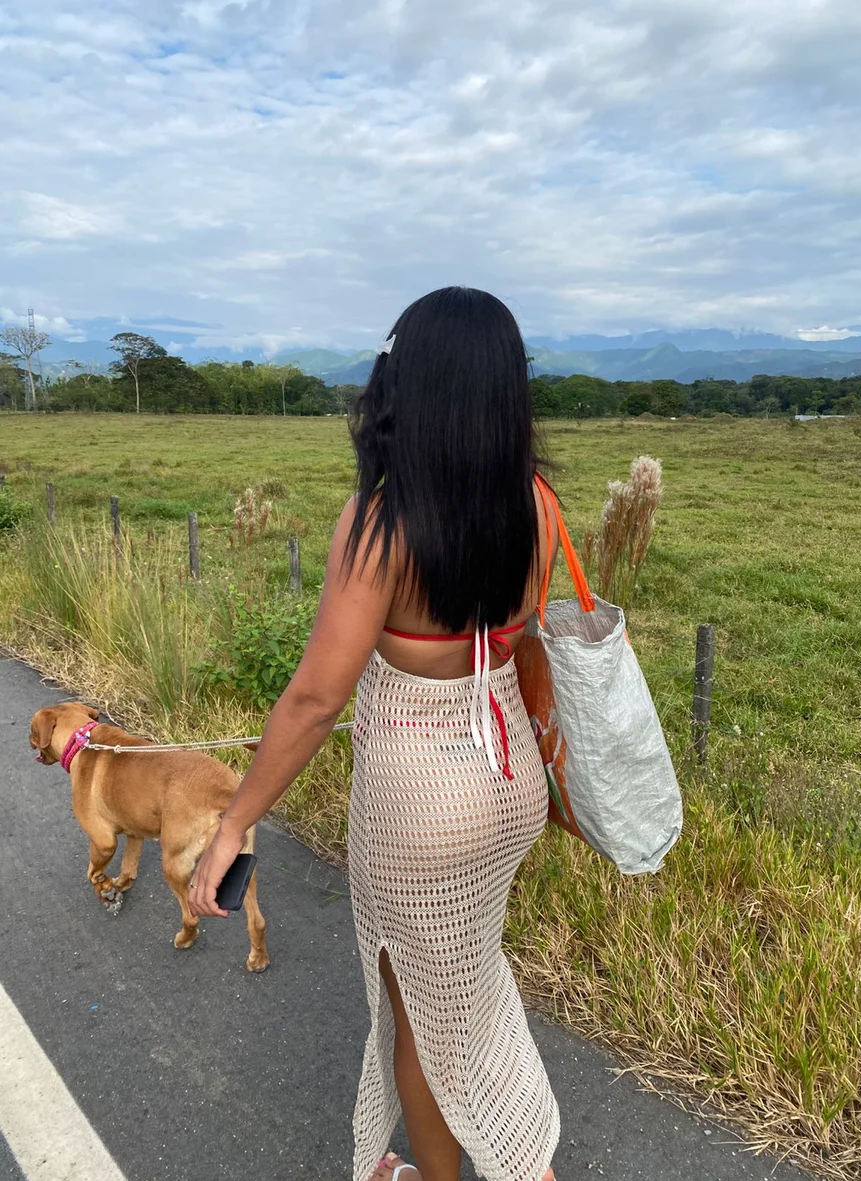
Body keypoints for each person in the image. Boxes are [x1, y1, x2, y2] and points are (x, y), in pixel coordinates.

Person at [189, 286, 560, 1181]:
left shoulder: (382, 523)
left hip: (418, 812)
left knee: (421, 1018)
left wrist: (235, 821)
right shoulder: (540, 505)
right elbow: (524, 647)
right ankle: (518, 1154)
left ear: (405, 385)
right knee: (470, 988)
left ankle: (494, 1168)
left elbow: (317, 699)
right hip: (509, 785)